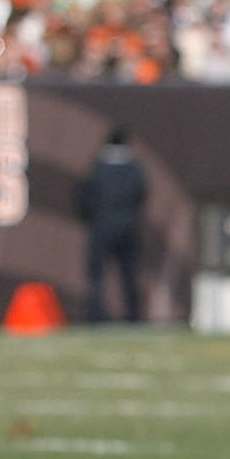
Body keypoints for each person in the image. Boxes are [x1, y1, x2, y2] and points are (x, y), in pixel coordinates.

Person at [76, 128, 147, 322]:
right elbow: (141, 194)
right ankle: (133, 316)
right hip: (128, 226)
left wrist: (90, 217)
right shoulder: (135, 168)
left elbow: (83, 196)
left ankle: (96, 316)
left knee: (97, 276)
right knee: (129, 276)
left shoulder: (96, 167)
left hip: (102, 226)